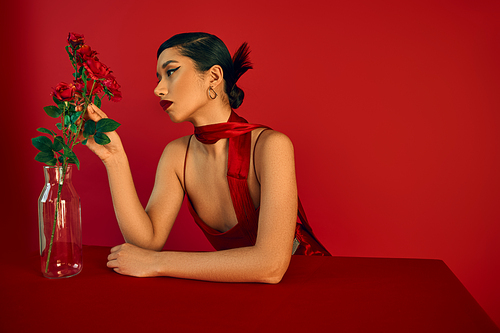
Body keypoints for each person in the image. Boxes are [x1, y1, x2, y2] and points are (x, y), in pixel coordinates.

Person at [84, 32, 330, 284]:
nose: (158, 89)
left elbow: (271, 265)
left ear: (213, 76)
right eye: (158, 77)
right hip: (238, 292)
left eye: (171, 72)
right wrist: (114, 159)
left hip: (304, 285)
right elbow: (146, 243)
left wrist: (157, 263)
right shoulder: (177, 154)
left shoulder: (270, 146)